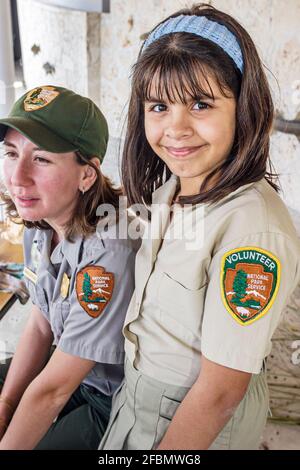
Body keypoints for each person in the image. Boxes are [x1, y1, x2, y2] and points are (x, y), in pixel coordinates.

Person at [99, 3, 300, 450]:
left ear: (243, 108)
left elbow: (220, 392)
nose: (176, 128)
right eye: (159, 105)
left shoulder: (253, 231)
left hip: (193, 421)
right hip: (136, 401)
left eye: (200, 103)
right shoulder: (173, 187)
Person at [0, 85, 137, 449]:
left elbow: (54, 391)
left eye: (41, 159)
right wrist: (6, 404)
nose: (17, 177)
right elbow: (40, 324)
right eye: (12, 153)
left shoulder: (109, 252)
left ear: (87, 175)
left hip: (109, 397)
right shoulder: (41, 224)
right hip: (65, 367)